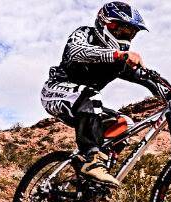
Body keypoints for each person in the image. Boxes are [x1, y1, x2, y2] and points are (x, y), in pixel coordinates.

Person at [41, 1, 160, 186]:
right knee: (91, 95)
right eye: (123, 31)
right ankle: (92, 159)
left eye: (131, 34)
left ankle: (90, 177)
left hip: (85, 104)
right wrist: (118, 55)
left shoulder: (120, 62)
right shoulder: (85, 34)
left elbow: (148, 81)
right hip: (55, 92)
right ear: (106, 24)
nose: (126, 37)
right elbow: (77, 51)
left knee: (125, 124)